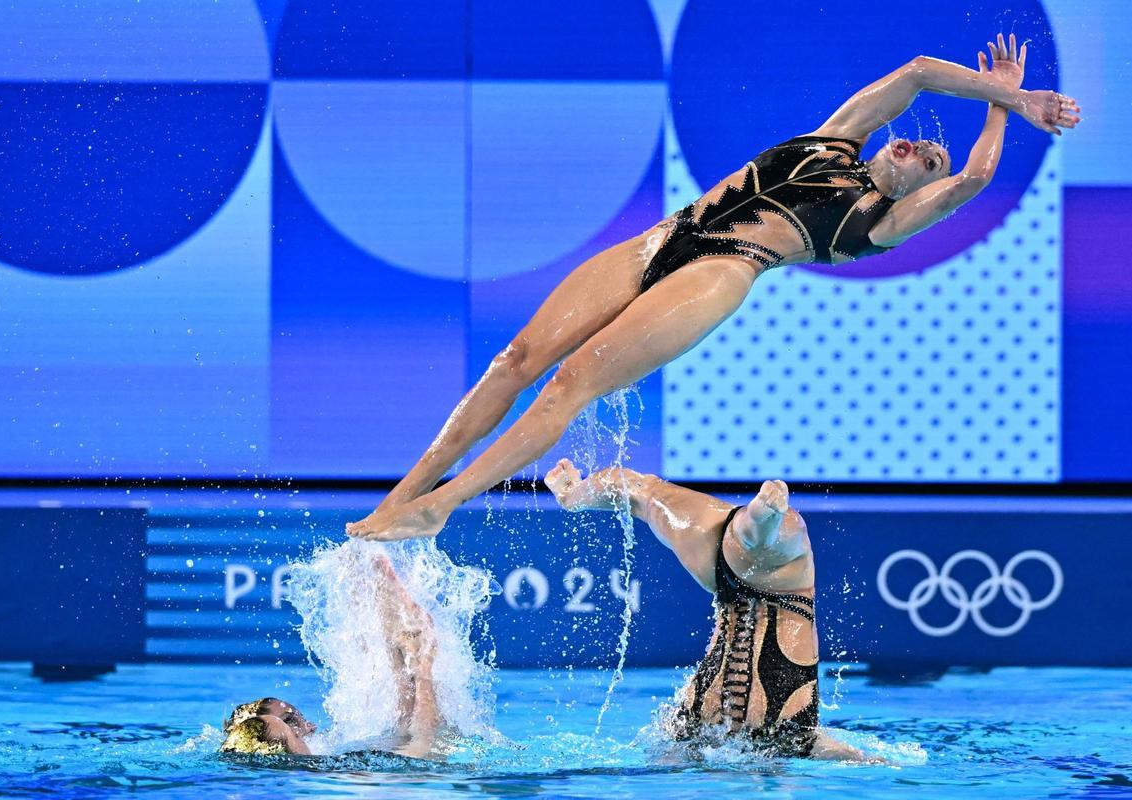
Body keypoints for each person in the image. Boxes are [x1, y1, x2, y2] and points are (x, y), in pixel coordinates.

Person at [346, 35, 1080, 542]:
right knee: (515, 359)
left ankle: (441, 508)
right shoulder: (834, 138)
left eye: (929, 161)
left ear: (919, 192)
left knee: (568, 384)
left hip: (720, 271)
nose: (918, 147)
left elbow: (976, 177)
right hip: (660, 241)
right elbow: (919, 71)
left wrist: (1008, 108)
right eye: (921, 140)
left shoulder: (874, 224)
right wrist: (997, 86)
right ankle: (404, 495)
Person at [543, 458, 862, 759]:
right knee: (647, 496)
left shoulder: (708, 731)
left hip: (721, 567)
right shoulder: (793, 740)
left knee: (645, 492)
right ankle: (759, 522)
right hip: (757, 586)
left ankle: (759, 520)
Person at [219, 555, 442, 758]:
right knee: (425, 741)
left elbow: (403, 736)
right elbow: (422, 748)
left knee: (403, 733)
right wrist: (425, 667)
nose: (311, 727)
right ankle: (408, 652)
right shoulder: (322, 769)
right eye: (293, 728)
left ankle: (397, 648)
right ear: (281, 749)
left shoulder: (322, 763)